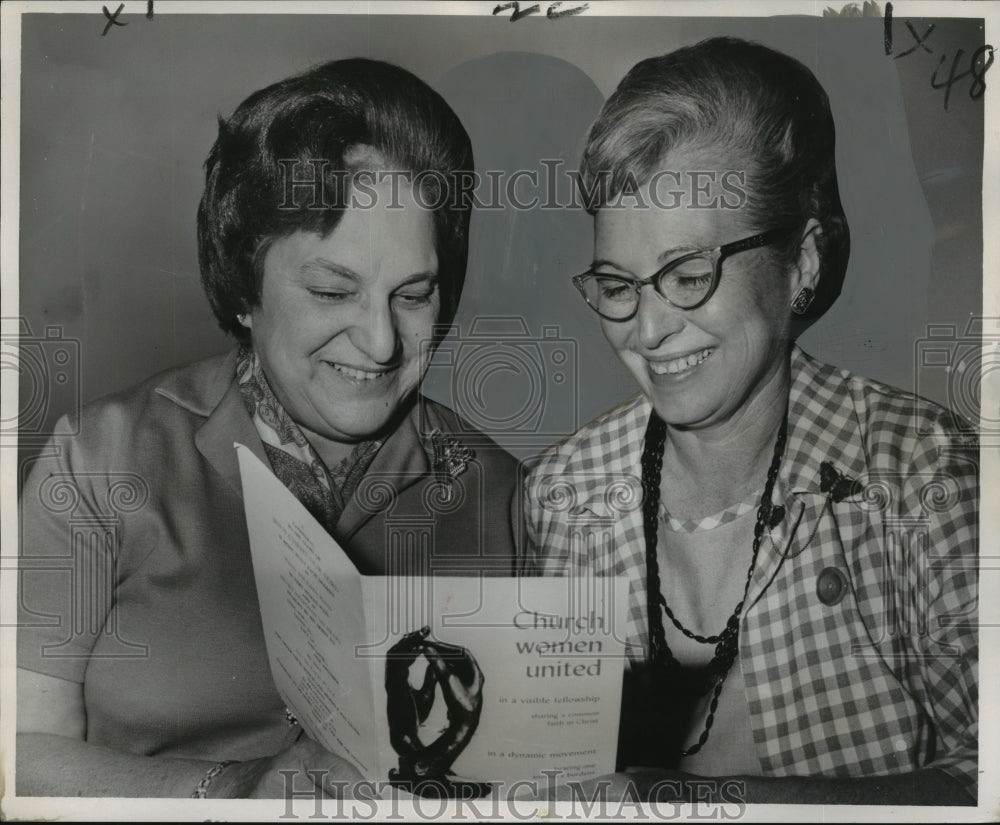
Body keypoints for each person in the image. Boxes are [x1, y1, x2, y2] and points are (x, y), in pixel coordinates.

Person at [17, 58, 519, 798]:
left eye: (412, 295)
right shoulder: (98, 460)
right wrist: (238, 789)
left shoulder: (506, 493)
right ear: (244, 289)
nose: (380, 342)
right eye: (330, 290)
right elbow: (18, 761)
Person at [524, 38, 978, 805]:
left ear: (801, 259)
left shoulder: (929, 477)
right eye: (616, 284)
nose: (648, 329)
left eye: (689, 274)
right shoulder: (560, 498)